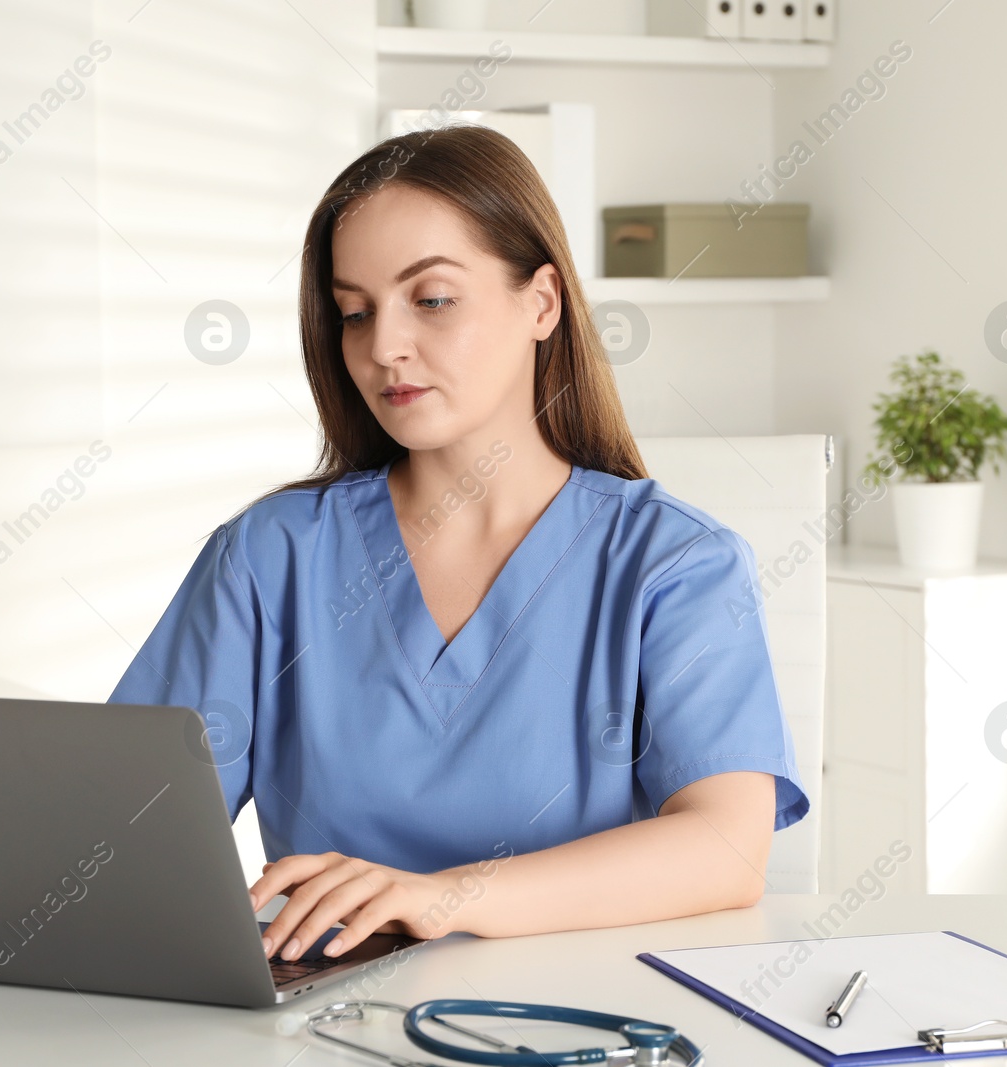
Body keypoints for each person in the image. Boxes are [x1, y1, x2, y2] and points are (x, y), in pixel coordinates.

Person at [109, 124, 807, 965]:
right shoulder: (270, 556)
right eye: (354, 312)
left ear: (541, 302)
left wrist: (442, 898)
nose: (383, 347)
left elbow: (726, 850)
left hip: (579, 1021)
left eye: (431, 298)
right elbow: (124, 832)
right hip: (326, 1023)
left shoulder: (672, 563)